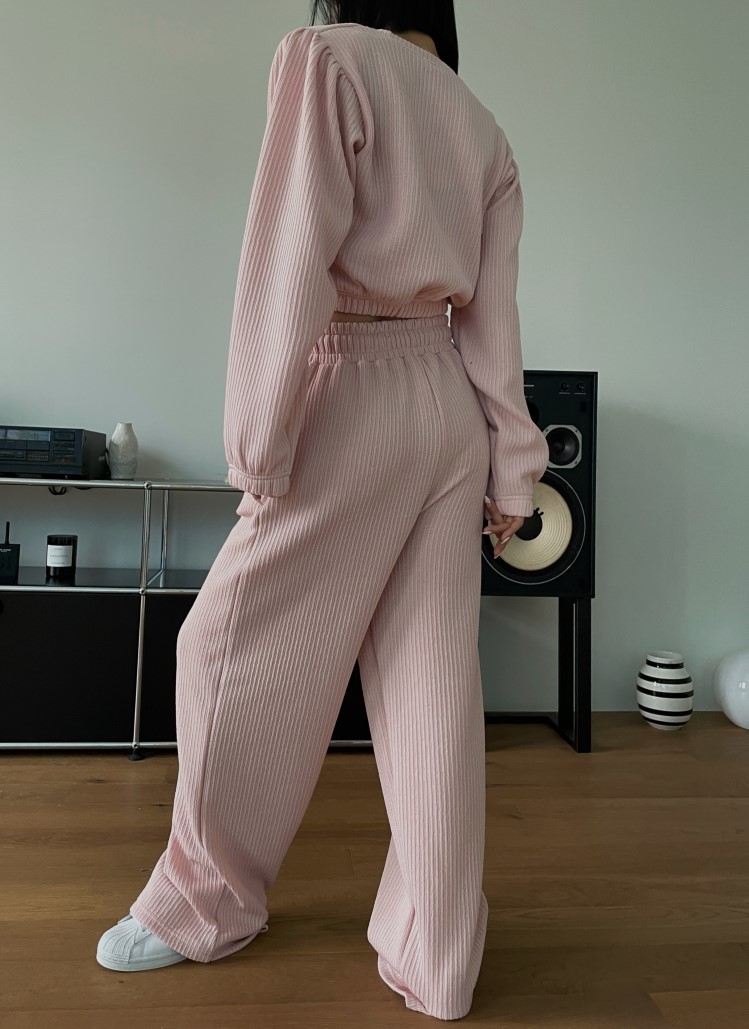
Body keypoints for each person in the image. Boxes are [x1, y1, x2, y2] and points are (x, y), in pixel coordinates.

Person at [96, 0, 549, 1021]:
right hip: (444, 404)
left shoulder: (325, 58)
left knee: (219, 645)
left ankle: (204, 902)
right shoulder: (480, 125)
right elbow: (493, 317)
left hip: (348, 387)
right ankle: (438, 954)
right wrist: (513, 469)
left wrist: (258, 438)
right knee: (430, 684)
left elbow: (289, 254)